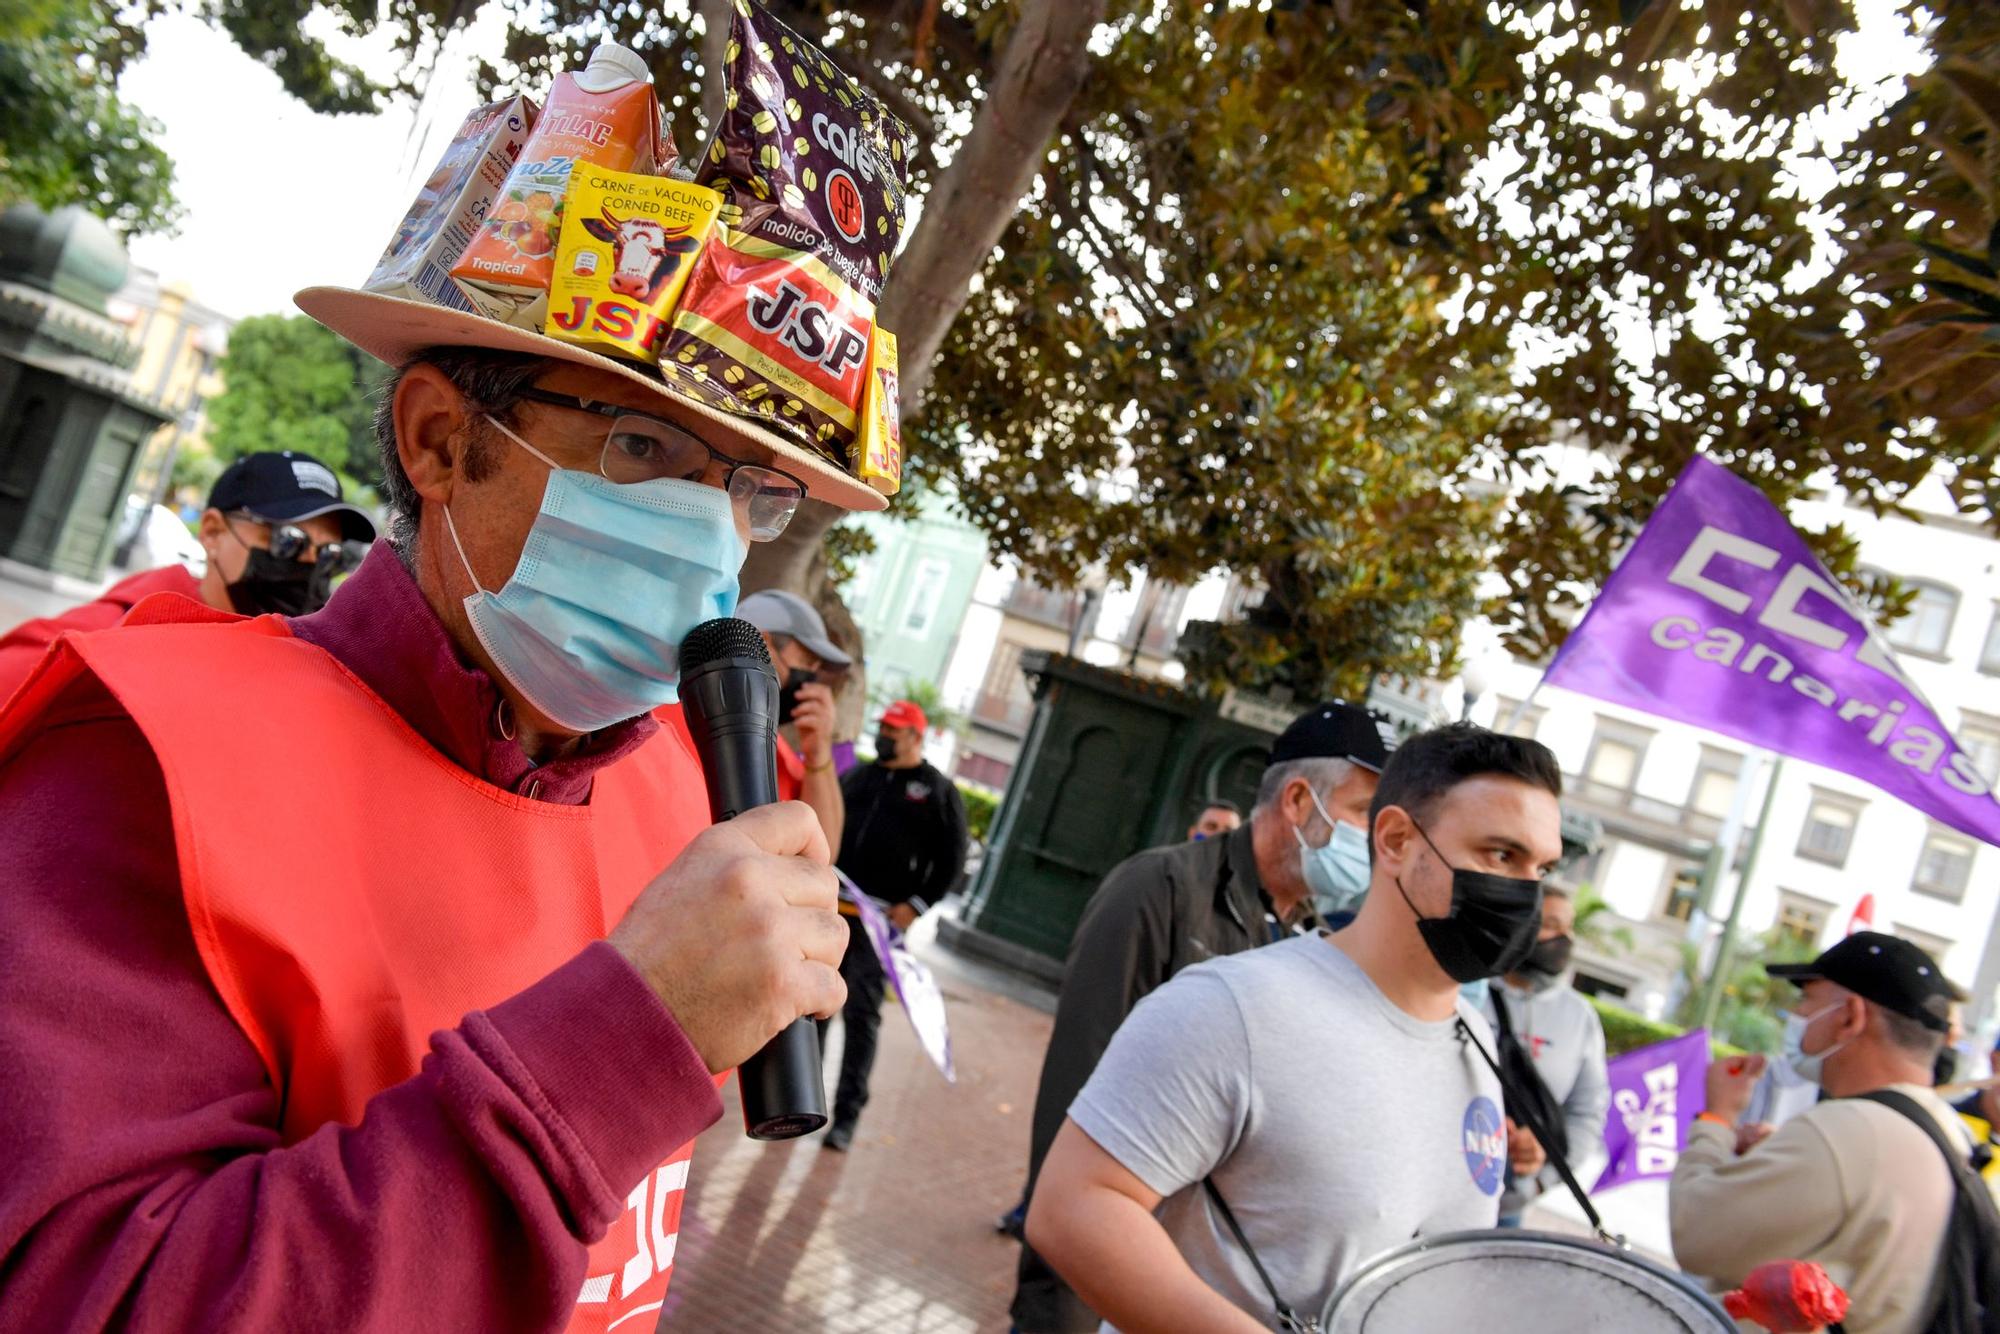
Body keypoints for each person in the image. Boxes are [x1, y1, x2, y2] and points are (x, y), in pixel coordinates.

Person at [0, 268, 897, 1329]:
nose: (708, 534)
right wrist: (628, 1038)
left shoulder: (677, 785)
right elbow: (90, 1296)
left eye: (747, 486)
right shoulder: (149, 755)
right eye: (643, 447)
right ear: (435, 439)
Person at [1026, 723, 1566, 1332]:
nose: (1527, 895)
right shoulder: (1232, 1008)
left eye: (1542, 868)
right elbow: (1072, 1207)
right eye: (1501, 854)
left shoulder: (1473, 1038)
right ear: (1393, 840)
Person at [1009, 699, 1390, 1333]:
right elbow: (1077, 1092)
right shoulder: (1158, 889)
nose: (1373, 843)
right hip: (1100, 1286)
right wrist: (1066, 1305)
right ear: (1298, 802)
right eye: (1360, 814)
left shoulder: (1313, 940)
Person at [1670, 933, 1973, 1334]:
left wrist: (1717, 1120)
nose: (1795, 1014)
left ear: (1850, 1016)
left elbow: (1696, 1234)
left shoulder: (1849, 1130)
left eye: (1807, 1001)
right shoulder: (1948, 1131)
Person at [0, 451, 376, 698]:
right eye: (287, 540)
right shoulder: (98, 642)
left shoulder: (310, 673)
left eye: (330, 554)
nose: (309, 564)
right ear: (212, 531)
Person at [823, 698, 968, 1151]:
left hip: (879, 926)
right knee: (814, 1008)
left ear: (916, 738)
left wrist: (916, 905)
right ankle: (802, 1103)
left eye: (895, 730)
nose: (885, 735)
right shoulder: (860, 777)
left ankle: (847, 1117)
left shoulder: (937, 791)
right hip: (833, 913)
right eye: (882, 727)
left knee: (861, 1017)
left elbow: (952, 861)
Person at [1483, 883, 1610, 1226]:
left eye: (1569, 928)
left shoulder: (1581, 1017)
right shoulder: (1471, 991)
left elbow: (1587, 1112)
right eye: (1552, 925)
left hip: (1508, 1206)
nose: (1564, 938)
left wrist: (1541, 1178)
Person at [736, 588, 851, 846]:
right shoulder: (668, 715)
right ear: (762, 644)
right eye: (807, 661)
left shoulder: (779, 754)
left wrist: (818, 751)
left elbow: (824, 848)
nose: (811, 678)